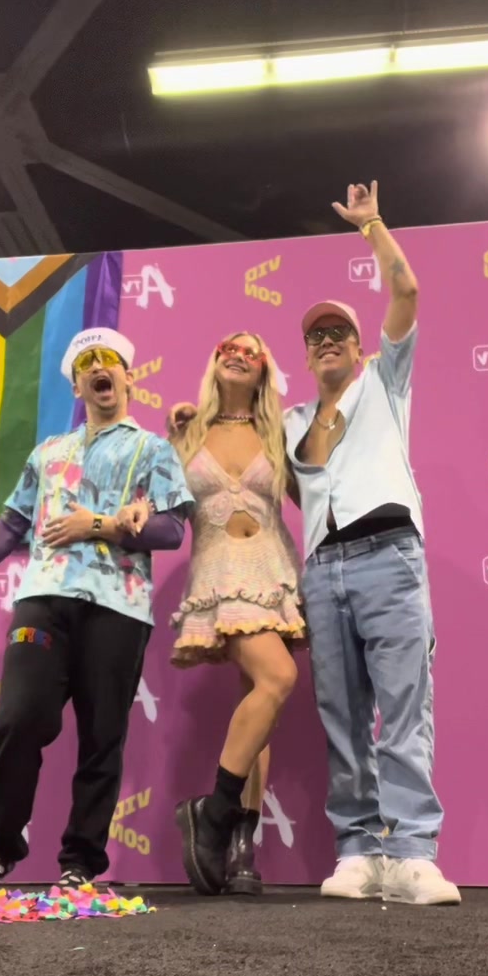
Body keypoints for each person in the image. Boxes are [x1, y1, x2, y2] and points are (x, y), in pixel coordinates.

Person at [0, 326, 193, 892]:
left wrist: (99, 525)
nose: (99, 368)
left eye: (109, 360)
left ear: (129, 377)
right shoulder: (48, 453)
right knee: (16, 719)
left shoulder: (153, 450)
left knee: (103, 736)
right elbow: (14, 521)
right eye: (87, 363)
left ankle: (80, 863)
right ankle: (1, 850)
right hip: (44, 601)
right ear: (78, 386)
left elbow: (173, 530)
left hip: (119, 609)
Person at [284, 182, 460, 906]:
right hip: (321, 572)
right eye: (315, 336)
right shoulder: (291, 421)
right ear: (306, 354)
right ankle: (357, 849)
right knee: (343, 718)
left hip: (388, 555)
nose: (327, 341)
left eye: (339, 333)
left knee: (404, 706)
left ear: (360, 348)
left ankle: (414, 852)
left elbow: (407, 290)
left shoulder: (386, 383)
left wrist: (373, 225)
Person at [169, 333, 306, 896]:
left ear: (265, 371)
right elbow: (162, 506)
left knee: (261, 700)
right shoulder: (187, 430)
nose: (239, 354)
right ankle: (216, 812)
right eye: (229, 345)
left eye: (253, 351)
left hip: (272, 573)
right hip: (219, 577)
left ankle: (240, 844)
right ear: (215, 359)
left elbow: (318, 498)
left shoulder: (279, 434)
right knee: (277, 678)